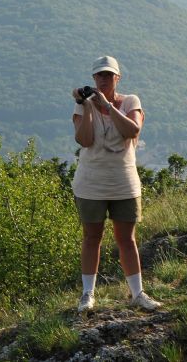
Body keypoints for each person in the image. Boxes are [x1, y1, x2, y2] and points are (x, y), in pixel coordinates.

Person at [71, 55, 162, 312]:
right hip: (91, 183)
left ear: (117, 78)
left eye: (109, 75)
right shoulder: (83, 106)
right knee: (91, 238)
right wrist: (88, 106)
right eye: (99, 75)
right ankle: (88, 294)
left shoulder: (130, 101)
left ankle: (137, 293)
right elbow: (85, 140)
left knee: (127, 238)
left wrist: (108, 106)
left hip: (123, 181)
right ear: (93, 78)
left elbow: (133, 130)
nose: (103, 80)